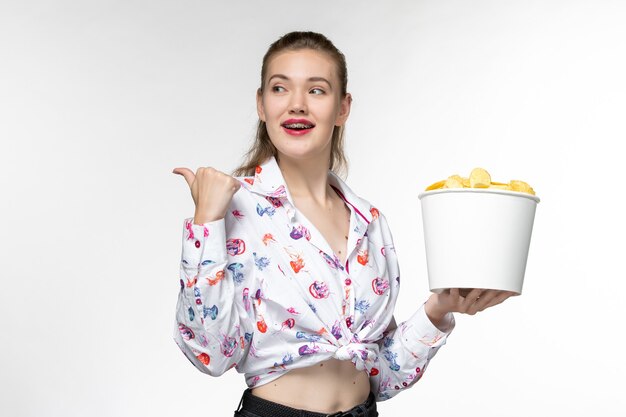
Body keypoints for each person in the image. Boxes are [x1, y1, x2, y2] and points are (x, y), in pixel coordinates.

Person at [172, 31, 516, 417]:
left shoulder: (369, 222)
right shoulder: (235, 208)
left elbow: (381, 376)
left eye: (316, 90)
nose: (297, 105)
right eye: (280, 88)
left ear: (342, 108)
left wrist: (438, 309)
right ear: (261, 104)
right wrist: (205, 224)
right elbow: (210, 354)